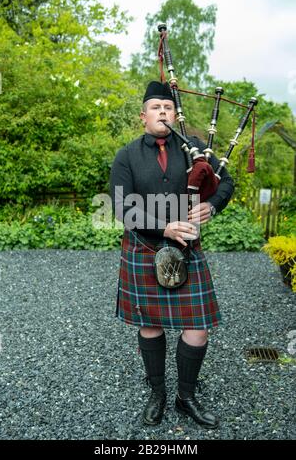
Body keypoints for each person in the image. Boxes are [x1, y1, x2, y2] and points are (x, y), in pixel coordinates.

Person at [109, 81, 234, 428]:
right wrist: (163, 228)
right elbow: (121, 206)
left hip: (187, 250)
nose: (163, 112)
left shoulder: (194, 150)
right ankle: (157, 393)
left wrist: (212, 205)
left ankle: (186, 396)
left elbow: (226, 181)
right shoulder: (127, 155)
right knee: (150, 325)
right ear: (143, 116)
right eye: (156, 107)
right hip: (144, 248)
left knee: (198, 328)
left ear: (175, 114)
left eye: (168, 107)